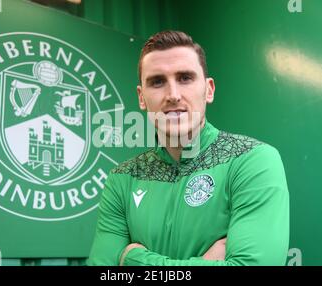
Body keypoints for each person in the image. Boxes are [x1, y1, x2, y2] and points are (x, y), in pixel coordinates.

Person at [87, 30, 289, 266]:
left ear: (209, 90)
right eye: (157, 82)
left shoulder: (252, 160)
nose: (173, 95)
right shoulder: (122, 178)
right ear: (142, 98)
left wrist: (133, 258)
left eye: (185, 78)